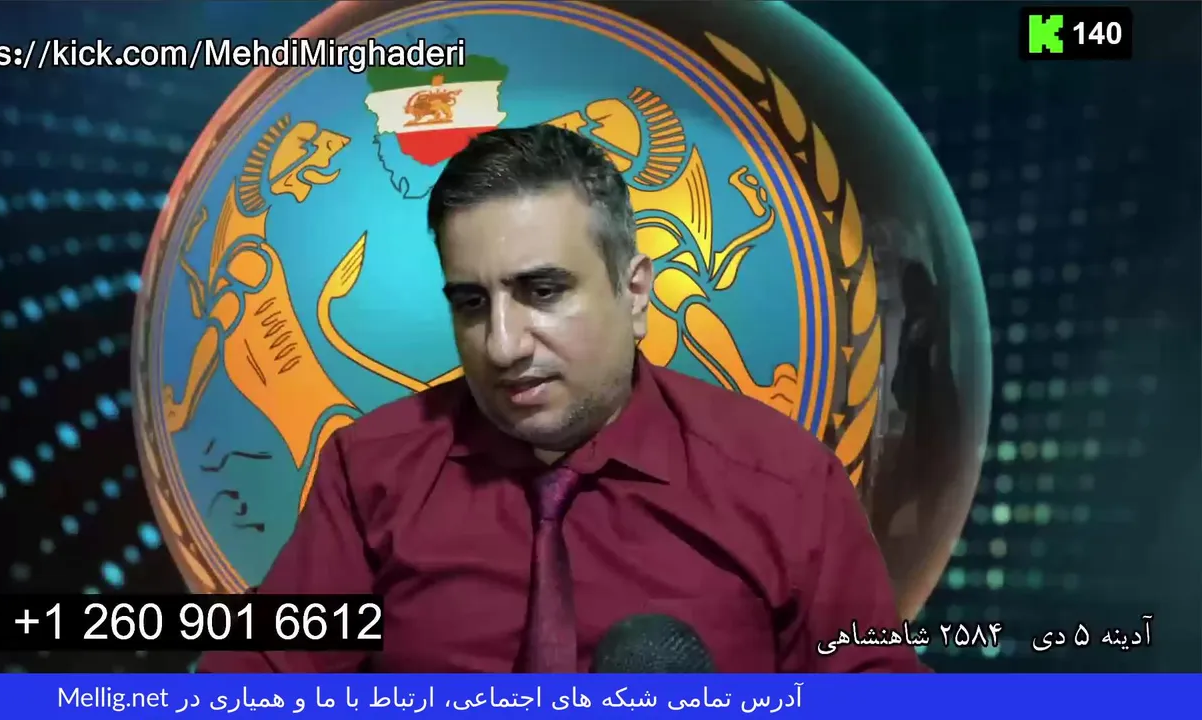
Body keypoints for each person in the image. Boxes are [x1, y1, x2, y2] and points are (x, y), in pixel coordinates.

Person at [198, 125, 926, 673]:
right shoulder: (370, 471)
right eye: (471, 303)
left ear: (634, 292)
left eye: (543, 291)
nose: (503, 344)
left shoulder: (785, 482)